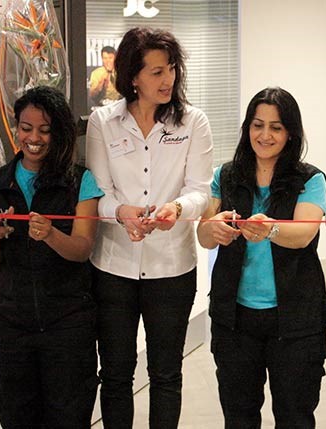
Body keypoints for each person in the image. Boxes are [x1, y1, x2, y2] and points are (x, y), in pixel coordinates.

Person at [85, 27, 213, 428]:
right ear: (133, 76)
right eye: (156, 72)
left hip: (172, 268)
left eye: (171, 68)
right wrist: (121, 212)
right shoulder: (103, 122)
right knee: (115, 374)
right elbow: (97, 194)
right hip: (113, 269)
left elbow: (200, 191)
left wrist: (177, 207)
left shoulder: (193, 122)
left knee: (166, 374)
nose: (168, 79)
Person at [197, 87, 326, 428]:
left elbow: (303, 235)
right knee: (239, 416)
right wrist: (214, 228)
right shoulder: (225, 176)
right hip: (235, 319)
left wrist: (270, 230)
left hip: (296, 319)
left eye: (276, 127)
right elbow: (204, 235)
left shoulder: (310, 179)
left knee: (295, 416)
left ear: (291, 133)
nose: (265, 135)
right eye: (258, 125)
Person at [0, 85, 103, 428]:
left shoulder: (80, 181)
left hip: (67, 326)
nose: (34, 138)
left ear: (59, 132)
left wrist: (50, 234)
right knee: (16, 418)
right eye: (26, 128)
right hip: (11, 327)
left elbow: (82, 249)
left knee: (69, 418)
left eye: (45, 130)